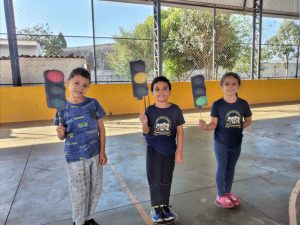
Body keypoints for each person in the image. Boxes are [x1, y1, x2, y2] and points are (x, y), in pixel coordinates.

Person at [54, 67, 107, 225]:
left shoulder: (93, 103)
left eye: (85, 85)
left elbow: (101, 129)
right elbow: (61, 136)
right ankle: (78, 221)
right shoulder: (62, 108)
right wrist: (60, 132)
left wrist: (102, 152)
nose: (80, 88)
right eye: (76, 83)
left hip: (95, 154)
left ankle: (89, 218)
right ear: (67, 83)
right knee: (79, 192)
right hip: (75, 157)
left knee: (95, 189)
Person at [199, 72, 252, 209]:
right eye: (227, 84)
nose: (230, 87)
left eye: (234, 83)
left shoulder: (243, 104)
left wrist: (239, 127)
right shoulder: (217, 104)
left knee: (231, 169)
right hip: (221, 143)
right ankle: (220, 195)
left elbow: (248, 120)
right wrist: (205, 126)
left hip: (236, 142)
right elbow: (214, 124)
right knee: (222, 168)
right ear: (222, 86)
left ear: (238, 86)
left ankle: (227, 192)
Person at [139, 76, 185, 223]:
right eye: (157, 89)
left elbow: (180, 131)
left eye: (165, 89)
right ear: (152, 93)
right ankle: (155, 208)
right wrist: (144, 123)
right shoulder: (150, 110)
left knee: (166, 179)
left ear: (170, 91)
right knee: (155, 180)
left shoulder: (175, 109)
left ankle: (165, 206)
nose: (161, 92)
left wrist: (179, 151)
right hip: (154, 150)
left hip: (170, 151)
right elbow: (146, 132)